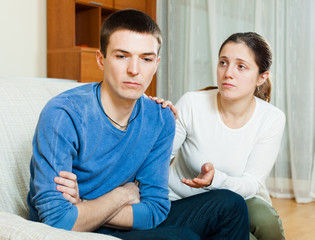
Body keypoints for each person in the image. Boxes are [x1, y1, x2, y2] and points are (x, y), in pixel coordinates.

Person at [29, 9, 250, 239]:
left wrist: (84, 206)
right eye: (122, 56)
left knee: (231, 206)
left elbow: (155, 209)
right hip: (74, 232)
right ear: (101, 59)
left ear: (156, 64)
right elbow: (57, 221)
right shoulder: (63, 114)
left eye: (146, 59)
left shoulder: (161, 118)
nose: (134, 70)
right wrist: (122, 195)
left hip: (110, 219)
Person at [153, 32, 286, 240]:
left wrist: (215, 180)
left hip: (237, 195)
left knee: (266, 221)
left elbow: (252, 183)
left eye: (241, 66)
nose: (228, 73)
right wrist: (154, 123)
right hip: (182, 198)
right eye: (223, 63)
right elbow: (158, 157)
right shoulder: (192, 103)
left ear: (262, 77)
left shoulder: (272, 118)